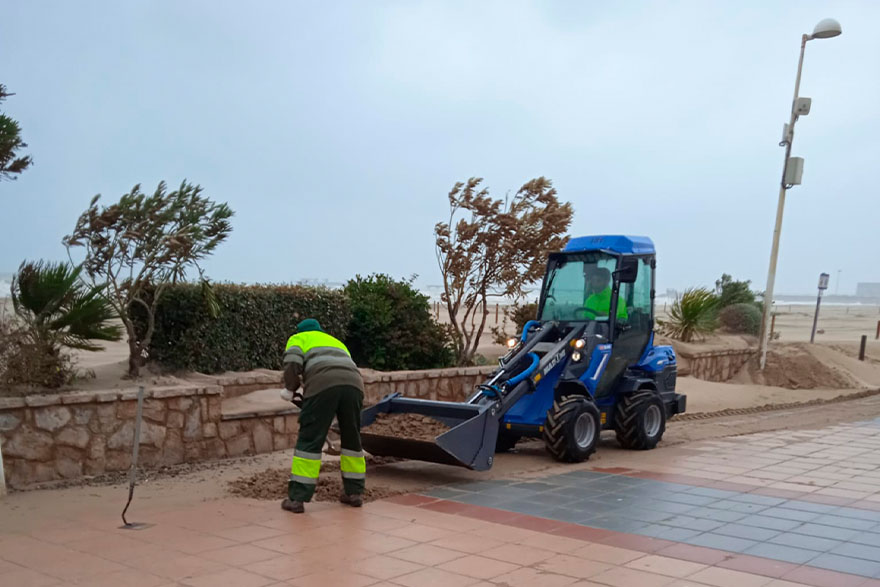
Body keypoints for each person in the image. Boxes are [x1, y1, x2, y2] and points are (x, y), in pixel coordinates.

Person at [279, 318, 365, 514]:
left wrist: (290, 388)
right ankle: (354, 493)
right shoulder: (335, 341)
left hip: (322, 386)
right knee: (352, 438)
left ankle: (297, 498)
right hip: (354, 386)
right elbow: (344, 367)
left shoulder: (298, 339)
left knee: (310, 440)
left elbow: (292, 364)